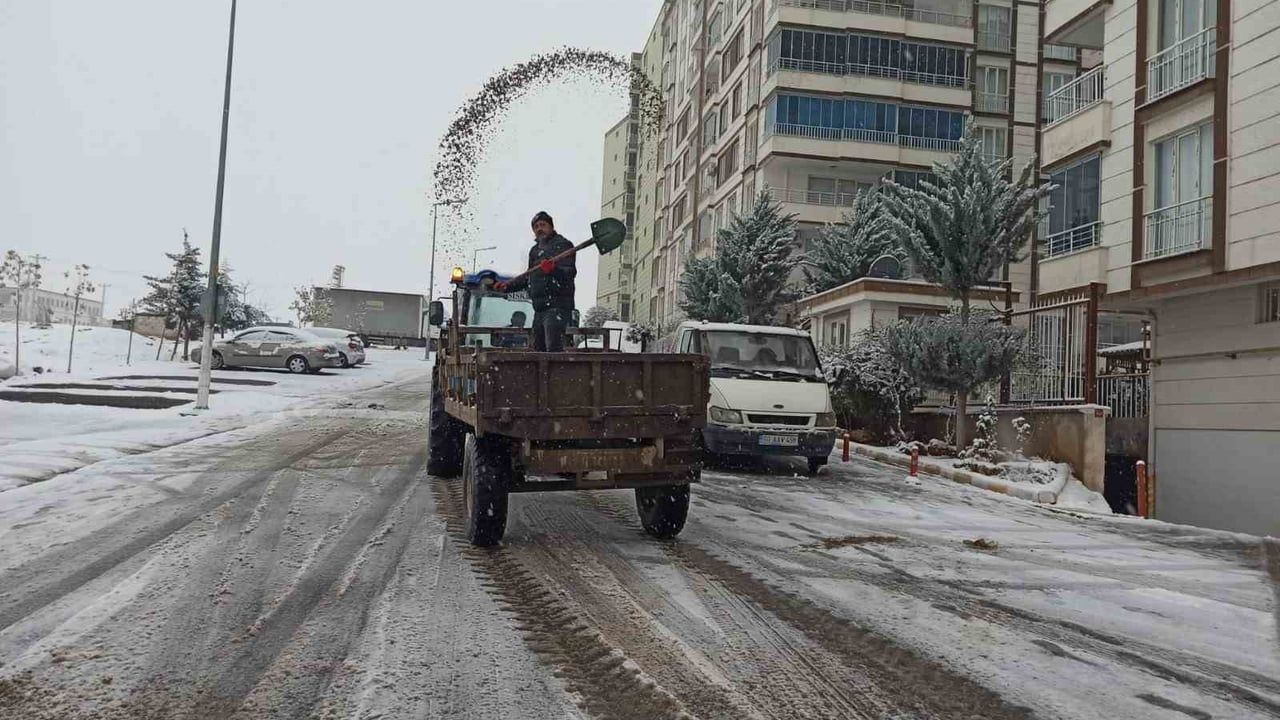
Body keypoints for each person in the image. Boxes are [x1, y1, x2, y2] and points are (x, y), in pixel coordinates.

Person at [495, 211, 576, 351]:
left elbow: (569, 273)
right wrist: (507, 287)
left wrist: (553, 269)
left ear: (551, 227)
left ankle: (555, 366)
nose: (539, 229)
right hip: (539, 308)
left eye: (543, 225)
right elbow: (529, 277)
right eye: (536, 227)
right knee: (538, 350)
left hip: (557, 306)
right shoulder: (534, 251)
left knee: (553, 349)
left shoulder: (563, 245)